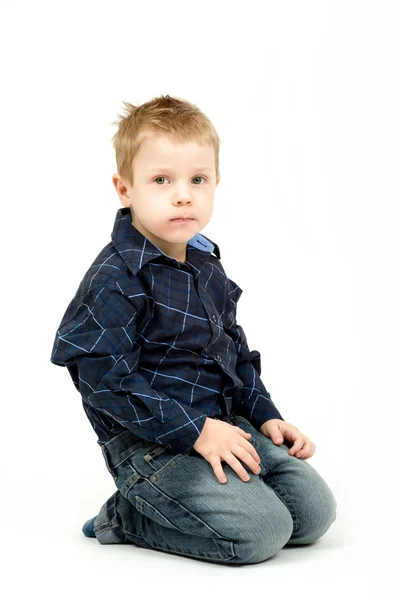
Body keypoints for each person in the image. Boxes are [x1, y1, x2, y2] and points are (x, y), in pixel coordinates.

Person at [50, 94, 337, 565]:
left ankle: (229, 484)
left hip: (221, 425)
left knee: (311, 514)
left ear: (216, 184)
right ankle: (127, 515)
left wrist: (265, 414)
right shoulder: (118, 277)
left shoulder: (204, 262)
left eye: (197, 180)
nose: (183, 194)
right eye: (162, 180)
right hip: (149, 446)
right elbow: (105, 382)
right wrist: (197, 431)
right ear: (125, 189)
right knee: (261, 534)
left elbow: (234, 351)